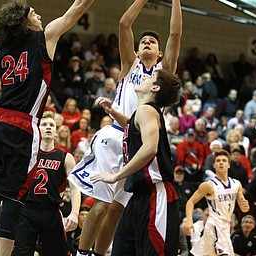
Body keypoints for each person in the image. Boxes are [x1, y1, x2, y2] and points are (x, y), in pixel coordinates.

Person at [0, 1, 95, 255]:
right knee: (13, 198)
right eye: (33, 13)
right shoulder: (44, 38)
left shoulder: (0, 51)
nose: (39, 15)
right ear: (22, 21)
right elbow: (78, 7)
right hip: (21, 126)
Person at [68, 1, 182, 255]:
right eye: (143, 41)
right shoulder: (130, 64)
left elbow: (175, 34)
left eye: (153, 42)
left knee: (118, 209)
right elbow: (124, 23)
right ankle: (82, 252)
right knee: (101, 205)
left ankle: (98, 253)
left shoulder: (163, 75)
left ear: (161, 53)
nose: (147, 43)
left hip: (137, 143)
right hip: (116, 135)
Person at [90, 69, 182, 255]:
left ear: (155, 88)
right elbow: (133, 126)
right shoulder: (143, 113)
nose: (146, 77)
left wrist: (116, 176)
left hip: (156, 195)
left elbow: (150, 148)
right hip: (138, 198)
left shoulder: (147, 110)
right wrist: (113, 112)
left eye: (151, 77)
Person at [12, 111, 80, 256]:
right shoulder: (27, 154)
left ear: (56, 131)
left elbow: (75, 188)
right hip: (26, 209)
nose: (48, 127)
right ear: (37, 129)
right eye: (44, 124)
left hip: (51, 210)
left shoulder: (65, 157)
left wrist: (74, 213)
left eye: (51, 125)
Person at [183, 149, 250, 256]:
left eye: (224, 160)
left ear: (228, 164)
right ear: (214, 165)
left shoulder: (236, 184)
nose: (221, 162)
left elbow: (244, 209)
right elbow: (190, 202)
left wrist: (245, 206)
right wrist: (189, 221)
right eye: (218, 161)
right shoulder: (208, 185)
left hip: (226, 226)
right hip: (214, 226)